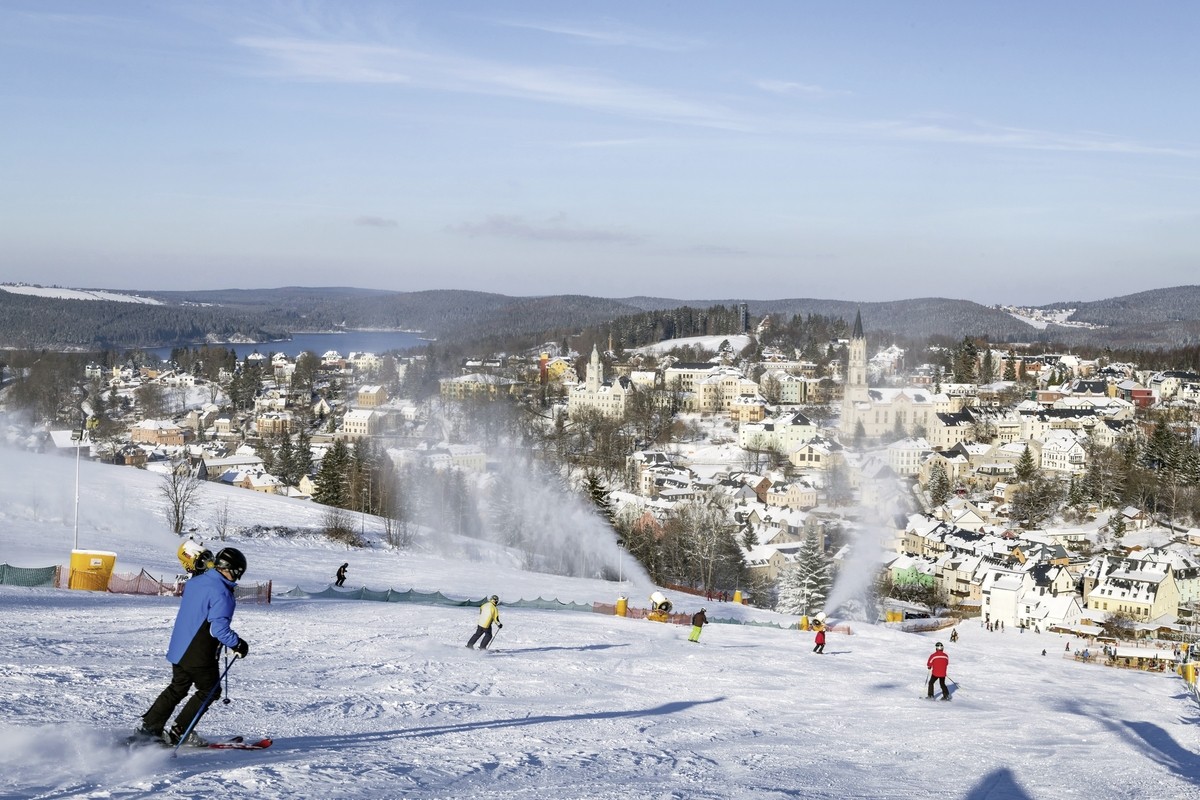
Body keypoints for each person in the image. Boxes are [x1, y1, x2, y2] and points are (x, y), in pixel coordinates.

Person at [136, 547, 250, 746]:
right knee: (209, 691)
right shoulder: (222, 593)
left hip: (179, 647)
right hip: (199, 652)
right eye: (237, 573)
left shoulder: (197, 582)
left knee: (178, 687)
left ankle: (150, 728)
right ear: (230, 569)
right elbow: (218, 629)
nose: (236, 579)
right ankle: (181, 731)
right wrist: (238, 644)